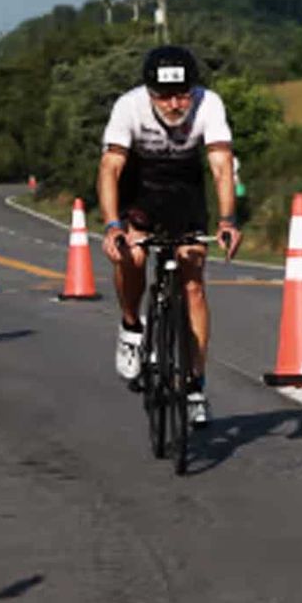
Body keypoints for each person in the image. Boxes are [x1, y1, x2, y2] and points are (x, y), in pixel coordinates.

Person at [98, 45, 241, 427]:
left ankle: (195, 385)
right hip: (140, 184)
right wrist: (113, 226)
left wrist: (228, 220)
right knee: (135, 256)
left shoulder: (209, 104)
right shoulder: (128, 107)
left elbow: (221, 165)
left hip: (184, 189)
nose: (175, 104)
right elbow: (111, 168)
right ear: (148, 91)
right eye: (164, 96)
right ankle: (131, 325)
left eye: (183, 94)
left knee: (193, 281)